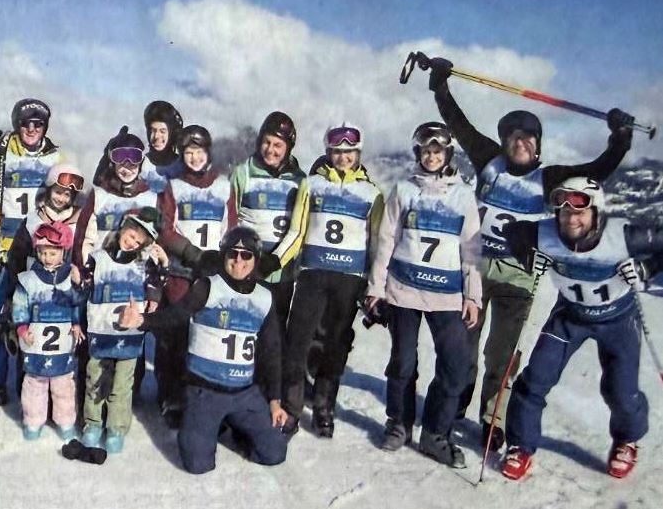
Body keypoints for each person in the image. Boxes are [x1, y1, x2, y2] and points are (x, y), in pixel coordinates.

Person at [426, 57, 635, 449]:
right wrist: (440, 86)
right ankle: (454, 406)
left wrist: (619, 140)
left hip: (518, 274)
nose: (520, 143)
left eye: (528, 138)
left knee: (502, 353)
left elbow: (597, 171)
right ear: (504, 142)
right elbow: (458, 124)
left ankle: (493, 419)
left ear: (538, 145)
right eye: (513, 137)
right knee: (463, 348)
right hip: (473, 267)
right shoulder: (489, 159)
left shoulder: (549, 177)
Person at [498, 176, 661, 480]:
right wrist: (529, 256)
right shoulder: (546, 233)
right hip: (570, 316)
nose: (571, 219)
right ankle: (520, 445)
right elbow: (512, 231)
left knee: (621, 392)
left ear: (597, 212)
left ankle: (627, 440)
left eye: (580, 212)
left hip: (617, 319)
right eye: (564, 212)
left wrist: (647, 268)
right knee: (534, 379)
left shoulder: (623, 235)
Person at [118, 226, 288, 474]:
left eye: (246, 255)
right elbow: (176, 316)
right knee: (198, 464)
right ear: (224, 255)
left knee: (274, 452)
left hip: (244, 393)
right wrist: (142, 321)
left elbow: (272, 351)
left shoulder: (265, 298)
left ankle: (236, 427)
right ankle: (204, 426)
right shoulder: (208, 287)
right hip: (205, 392)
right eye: (232, 254)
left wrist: (274, 400)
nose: (238, 261)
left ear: (256, 259)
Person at [365, 122, 482, 468]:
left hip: (446, 294)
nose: (431, 157)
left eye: (437, 151)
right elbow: (386, 240)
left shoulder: (463, 195)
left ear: (448, 154)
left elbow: (471, 250)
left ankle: (435, 433)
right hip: (404, 290)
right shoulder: (404, 190)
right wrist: (375, 288)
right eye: (426, 151)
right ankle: (399, 423)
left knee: (455, 365)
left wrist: (472, 296)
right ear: (418, 153)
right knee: (403, 362)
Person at [267, 124, 383, 437]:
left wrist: (375, 287)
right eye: (337, 152)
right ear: (328, 152)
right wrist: (274, 260)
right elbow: (297, 232)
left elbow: (376, 245)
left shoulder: (372, 193)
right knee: (297, 342)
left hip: (349, 280)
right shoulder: (312, 184)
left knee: (336, 346)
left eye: (349, 152)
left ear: (358, 154)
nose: (343, 157)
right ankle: (292, 408)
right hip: (313, 276)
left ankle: (323, 407)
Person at [0, 98, 67, 406]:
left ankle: (31, 376)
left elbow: (66, 198)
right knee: (2, 314)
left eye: (38, 124)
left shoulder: (56, 159)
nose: (32, 129)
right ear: (17, 125)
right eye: (26, 124)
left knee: (34, 316)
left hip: (41, 251)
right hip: (5, 247)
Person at [155, 124, 237, 426]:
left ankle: (206, 396)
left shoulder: (223, 185)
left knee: (208, 334)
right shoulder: (174, 186)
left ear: (208, 153)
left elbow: (231, 227)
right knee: (176, 335)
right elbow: (164, 229)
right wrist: (191, 252)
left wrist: (221, 260)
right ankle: (172, 396)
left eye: (199, 152)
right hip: (182, 271)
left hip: (212, 272)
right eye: (188, 152)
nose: (194, 158)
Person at [78, 208, 168, 454]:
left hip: (129, 335)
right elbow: (84, 283)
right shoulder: (98, 258)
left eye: (139, 242)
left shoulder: (143, 264)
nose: (132, 243)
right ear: (122, 229)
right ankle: (92, 423)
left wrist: (163, 265)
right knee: (95, 380)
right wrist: (77, 277)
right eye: (131, 236)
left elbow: (157, 284)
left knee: (122, 385)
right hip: (101, 331)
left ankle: (116, 428)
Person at [230, 111, 305, 367]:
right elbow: (230, 220)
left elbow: (299, 228)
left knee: (275, 330)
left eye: (278, 145)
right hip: (247, 268)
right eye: (266, 142)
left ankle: (269, 383)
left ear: (288, 148)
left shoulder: (299, 180)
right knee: (245, 324)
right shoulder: (243, 173)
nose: (270, 150)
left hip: (281, 272)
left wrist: (279, 260)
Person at [12, 222, 84, 441]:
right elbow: (19, 305)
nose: (47, 258)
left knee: (63, 385)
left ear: (63, 252)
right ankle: (33, 421)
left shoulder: (69, 277)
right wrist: (22, 327)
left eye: (52, 253)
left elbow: (76, 303)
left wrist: (77, 322)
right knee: (35, 384)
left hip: (62, 342)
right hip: (36, 342)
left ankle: (65, 421)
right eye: (43, 253)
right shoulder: (28, 279)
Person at [74, 126, 158, 267]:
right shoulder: (100, 195)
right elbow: (83, 238)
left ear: (141, 163)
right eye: (120, 160)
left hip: (136, 272)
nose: (127, 168)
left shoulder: (150, 199)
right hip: (101, 269)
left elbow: (156, 243)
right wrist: (83, 267)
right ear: (112, 163)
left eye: (133, 161)